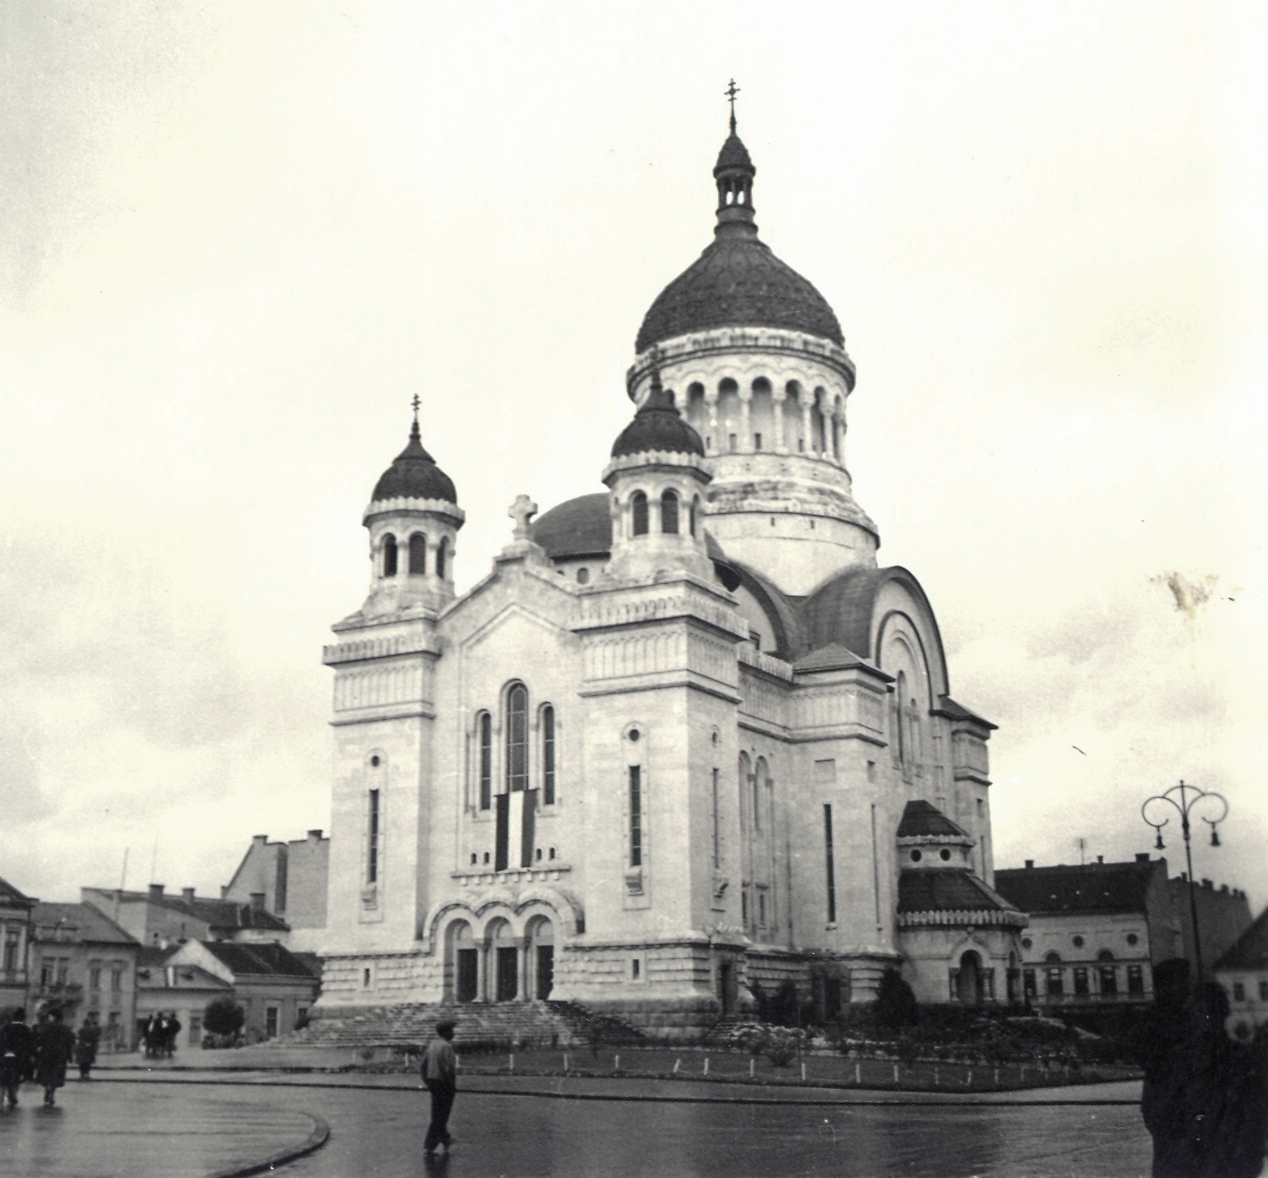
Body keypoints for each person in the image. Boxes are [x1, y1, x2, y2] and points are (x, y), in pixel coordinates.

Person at [1131, 958, 1195, 1177]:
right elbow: (1145, 1056)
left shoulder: (1179, 1015)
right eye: (1183, 982)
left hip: (1168, 1102)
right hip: (1167, 1102)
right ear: (1165, 986)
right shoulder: (1158, 1019)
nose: (1188, 988)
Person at [420, 1018, 458, 1156]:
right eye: (451, 1030)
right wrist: (452, 1086)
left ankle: (444, 1140)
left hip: (433, 1082)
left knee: (437, 1114)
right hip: (444, 1083)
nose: (453, 1033)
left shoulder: (433, 1044)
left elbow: (424, 1064)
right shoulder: (446, 1047)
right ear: (445, 1032)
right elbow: (449, 1069)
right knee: (441, 1116)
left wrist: (426, 1080)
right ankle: (431, 1145)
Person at [33, 1008, 76, 1107]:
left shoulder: (46, 1028)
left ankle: (47, 1088)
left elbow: (39, 1041)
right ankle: (52, 1090)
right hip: (60, 1056)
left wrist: (36, 1053)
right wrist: (69, 1056)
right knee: (56, 1075)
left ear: (53, 1017)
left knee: (45, 1073)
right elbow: (69, 1043)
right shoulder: (66, 1029)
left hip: (46, 1054)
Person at [0, 1008, 35, 1109]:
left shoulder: (5, 1028)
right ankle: (13, 1094)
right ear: (23, 1018)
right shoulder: (26, 1030)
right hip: (20, 1058)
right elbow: (30, 1045)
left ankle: (1, 1096)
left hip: (5, 1056)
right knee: (17, 1077)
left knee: (2, 1078)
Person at [75, 1014, 101, 1080]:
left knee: (81, 1063)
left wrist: (82, 1044)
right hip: (89, 1049)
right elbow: (94, 1040)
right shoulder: (91, 1030)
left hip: (82, 1048)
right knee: (88, 1063)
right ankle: (87, 1075)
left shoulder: (81, 1030)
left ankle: (81, 1075)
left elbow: (79, 1039)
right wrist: (91, 1045)